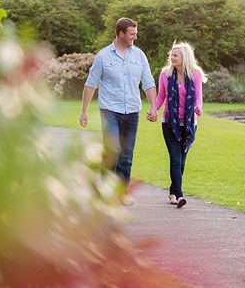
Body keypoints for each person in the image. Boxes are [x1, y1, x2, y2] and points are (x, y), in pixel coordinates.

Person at [81, 17, 157, 206]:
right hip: (110, 110)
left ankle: (122, 192)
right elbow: (91, 84)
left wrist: (154, 107)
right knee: (112, 150)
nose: (135, 37)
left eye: (136, 33)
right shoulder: (103, 56)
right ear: (121, 33)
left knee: (126, 153)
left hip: (132, 110)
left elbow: (148, 82)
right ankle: (105, 190)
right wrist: (84, 111)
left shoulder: (139, 56)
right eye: (132, 33)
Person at [152, 42, 206, 208]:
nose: (172, 57)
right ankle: (180, 195)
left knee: (181, 162)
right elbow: (161, 96)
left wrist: (198, 108)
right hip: (169, 122)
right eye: (172, 55)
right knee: (175, 159)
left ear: (185, 57)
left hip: (189, 124)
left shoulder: (195, 75)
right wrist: (154, 109)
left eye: (176, 55)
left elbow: (198, 97)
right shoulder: (165, 74)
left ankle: (173, 191)